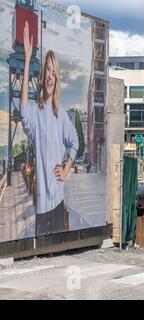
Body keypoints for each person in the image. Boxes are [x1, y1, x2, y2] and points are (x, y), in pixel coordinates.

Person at [20, 21, 79, 236]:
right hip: (42, 204)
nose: (51, 75)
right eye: (47, 70)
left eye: (54, 71)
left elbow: (75, 142)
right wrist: (27, 59)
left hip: (58, 199)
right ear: (43, 75)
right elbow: (23, 109)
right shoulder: (36, 111)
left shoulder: (60, 113)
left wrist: (65, 170)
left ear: (57, 76)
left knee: (57, 258)